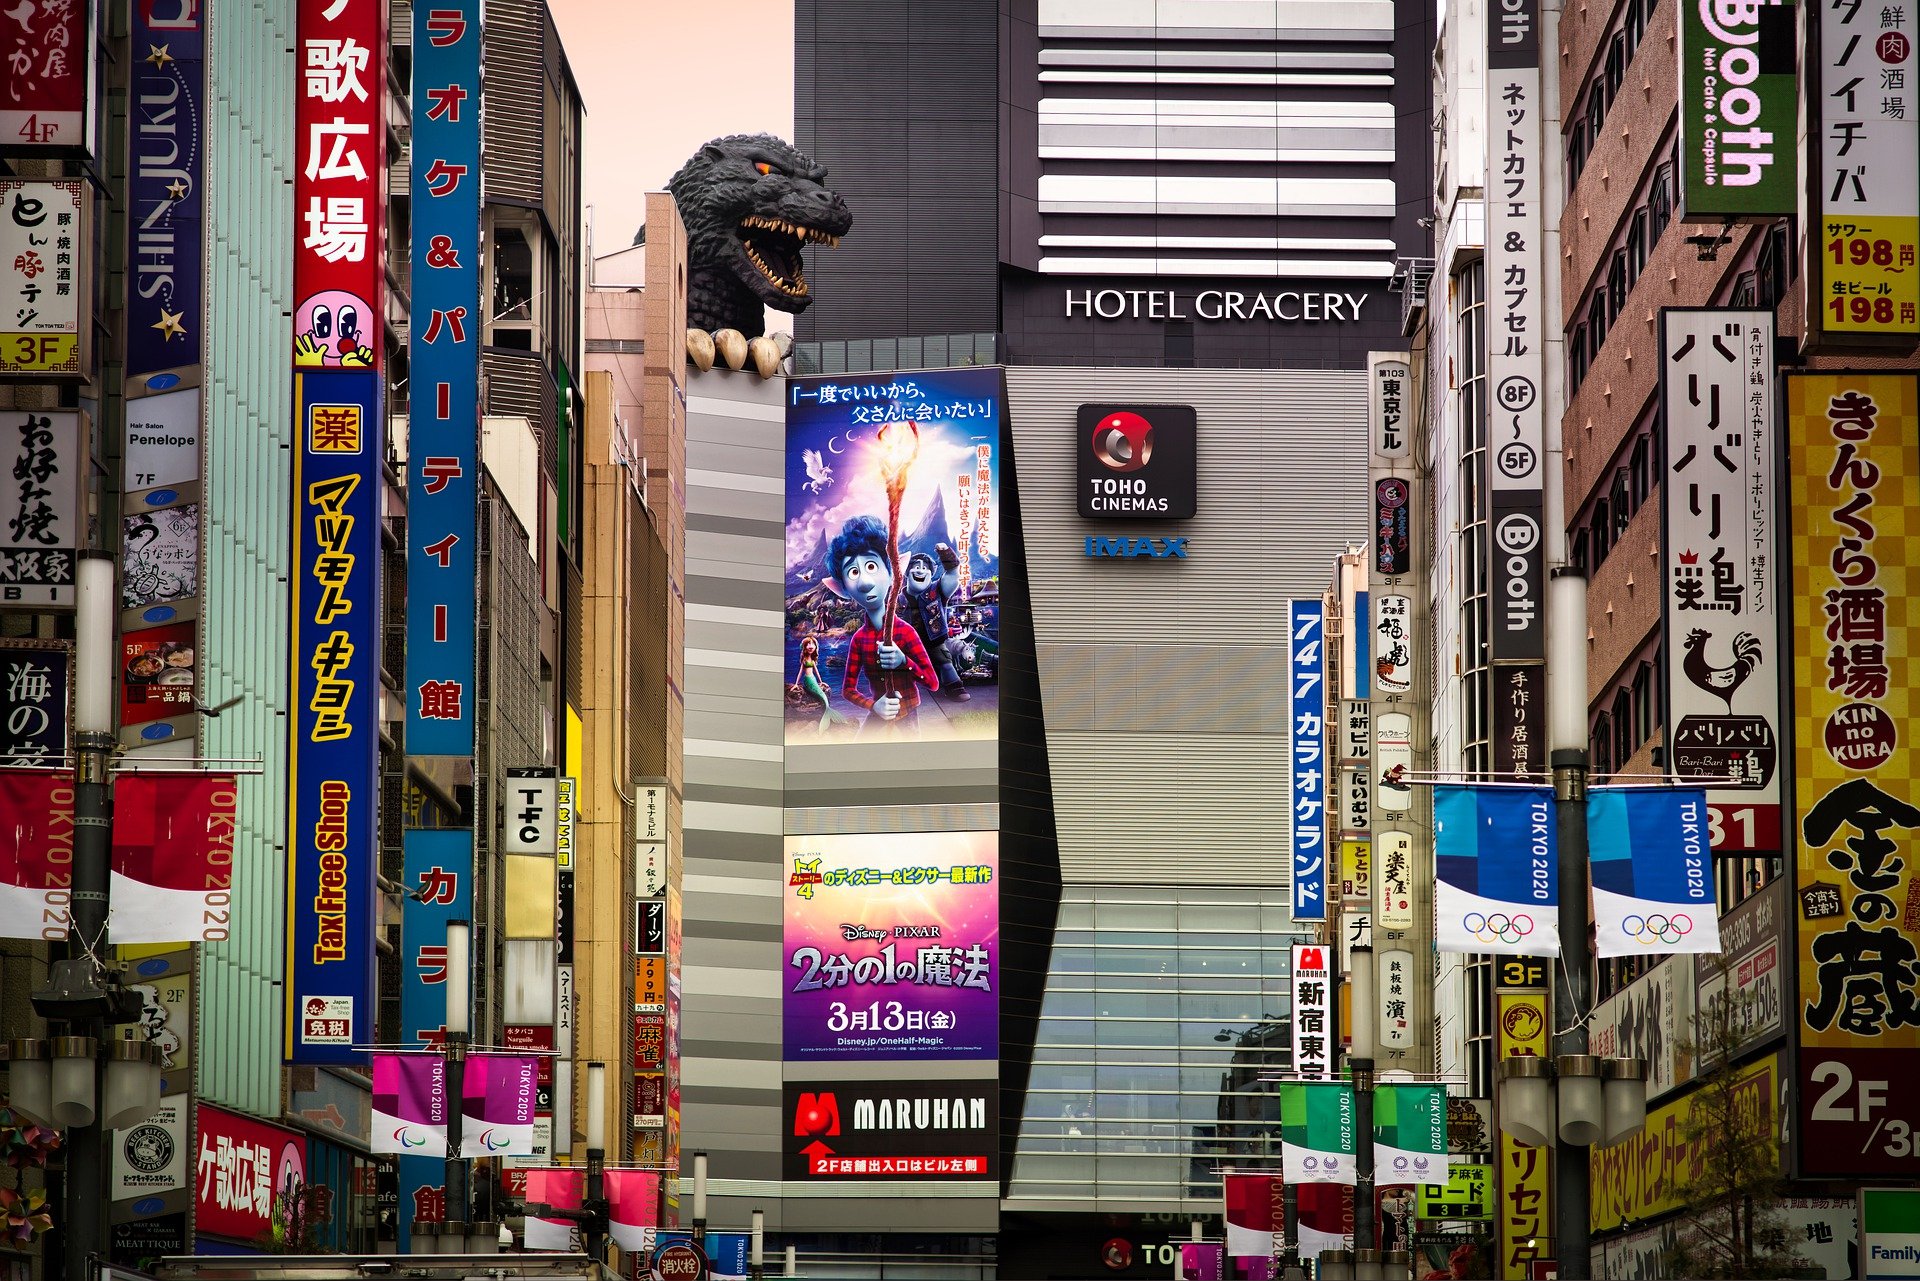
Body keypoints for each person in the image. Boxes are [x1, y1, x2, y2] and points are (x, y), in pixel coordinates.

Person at [824, 515, 939, 733]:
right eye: (854, 572)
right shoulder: (859, 639)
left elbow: (932, 682)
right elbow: (848, 689)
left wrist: (903, 660)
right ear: (842, 590)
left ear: (893, 573)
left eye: (871, 566)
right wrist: (873, 705)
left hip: (907, 714)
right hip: (878, 712)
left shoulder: (906, 633)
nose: (865, 582)